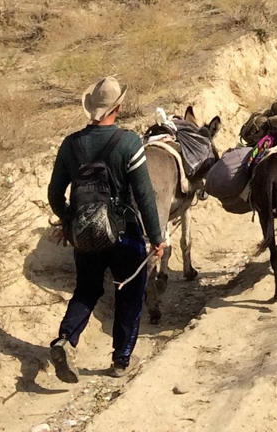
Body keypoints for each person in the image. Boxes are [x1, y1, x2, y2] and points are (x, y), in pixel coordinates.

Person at [45, 76, 166, 381]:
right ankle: (121, 360)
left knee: (86, 290)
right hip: (124, 233)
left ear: (91, 109)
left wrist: (70, 221)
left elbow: (54, 194)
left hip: (86, 233)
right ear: (118, 107)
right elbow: (144, 196)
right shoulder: (129, 143)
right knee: (130, 292)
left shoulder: (70, 144)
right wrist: (156, 238)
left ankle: (65, 340)